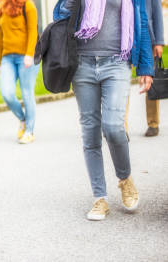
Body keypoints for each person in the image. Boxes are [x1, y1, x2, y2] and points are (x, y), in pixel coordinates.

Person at [64, 0, 154, 221]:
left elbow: (141, 21)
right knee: (90, 132)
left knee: (114, 126)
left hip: (117, 62)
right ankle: (99, 198)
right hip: (82, 64)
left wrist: (146, 66)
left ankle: (125, 179)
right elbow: (61, 12)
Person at [0, 0, 40, 144]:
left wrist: (29, 53)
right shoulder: (2, 7)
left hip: (25, 57)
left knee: (27, 93)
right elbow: (1, 36)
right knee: (7, 93)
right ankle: (23, 119)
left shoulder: (28, 5)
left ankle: (29, 131)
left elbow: (33, 30)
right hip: (7, 59)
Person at [142, 0, 165, 137]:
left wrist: (159, 42)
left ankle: (153, 123)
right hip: (125, 39)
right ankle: (121, 127)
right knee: (121, 82)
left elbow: (157, 13)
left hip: (147, 38)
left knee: (150, 82)